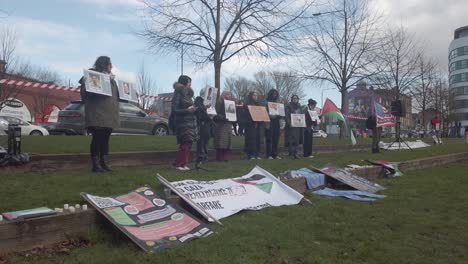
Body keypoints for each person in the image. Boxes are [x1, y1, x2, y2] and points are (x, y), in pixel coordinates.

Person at [79, 56, 120, 173]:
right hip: (97, 113)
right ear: (104, 64)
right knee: (97, 138)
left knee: (105, 139)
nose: (111, 66)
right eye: (110, 64)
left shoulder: (112, 79)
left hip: (109, 114)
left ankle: (104, 162)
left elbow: (116, 95)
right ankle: (96, 164)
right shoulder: (92, 75)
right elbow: (85, 95)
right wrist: (85, 85)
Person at [171, 75, 198, 171]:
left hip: (190, 122)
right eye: (189, 82)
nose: (190, 84)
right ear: (184, 83)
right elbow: (175, 110)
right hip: (182, 122)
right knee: (185, 143)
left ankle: (183, 163)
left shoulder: (188, 95)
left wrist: (195, 108)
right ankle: (179, 164)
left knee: (188, 143)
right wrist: (187, 110)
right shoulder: (178, 93)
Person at [213, 91, 233, 161]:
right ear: (223, 95)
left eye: (230, 95)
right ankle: (219, 157)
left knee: (227, 142)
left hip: (228, 124)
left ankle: (225, 157)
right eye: (227, 94)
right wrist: (223, 117)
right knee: (221, 142)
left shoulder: (230, 103)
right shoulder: (219, 102)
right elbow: (215, 113)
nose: (229, 96)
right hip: (220, 125)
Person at [194, 88, 212, 165]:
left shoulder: (207, 102)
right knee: (201, 141)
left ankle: (205, 157)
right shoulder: (199, 101)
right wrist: (208, 116)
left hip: (207, 124)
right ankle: (201, 157)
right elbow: (199, 114)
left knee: (206, 140)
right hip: (202, 124)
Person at [243, 91, 263, 160]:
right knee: (251, 140)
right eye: (254, 95)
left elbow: (261, 114)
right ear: (251, 96)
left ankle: (257, 154)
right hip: (250, 125)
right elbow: (245, 115)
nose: (255, 96)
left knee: (257, 140)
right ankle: (251, 155)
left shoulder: (258, 104)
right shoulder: (247, 105)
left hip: (257, 125)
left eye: (256, 95)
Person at [265, 89, 281, 159]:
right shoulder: (266, 102)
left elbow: (280, 112)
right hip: (269, 121)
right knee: (269, 138)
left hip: (276, 122)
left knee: (276, 138)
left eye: (275, 94)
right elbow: (264, 112)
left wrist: (280, 114)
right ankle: (269, 154)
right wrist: (270, 115)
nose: (274, 95)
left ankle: (275, 154)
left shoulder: (277, 103)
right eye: (273, 94)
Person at [285, 95, 302, 159]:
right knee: (291, 140)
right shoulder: (289, 106)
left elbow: (301, 115)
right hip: (291, 126)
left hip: (298, 125)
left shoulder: (299, 106)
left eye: (296, 98)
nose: (295, 99)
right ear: (292, 99)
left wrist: (302, 123)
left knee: (297, 140)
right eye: (294, 98)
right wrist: (289, 123)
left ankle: (296, 153)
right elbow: (286, 116)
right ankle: (291, 154)